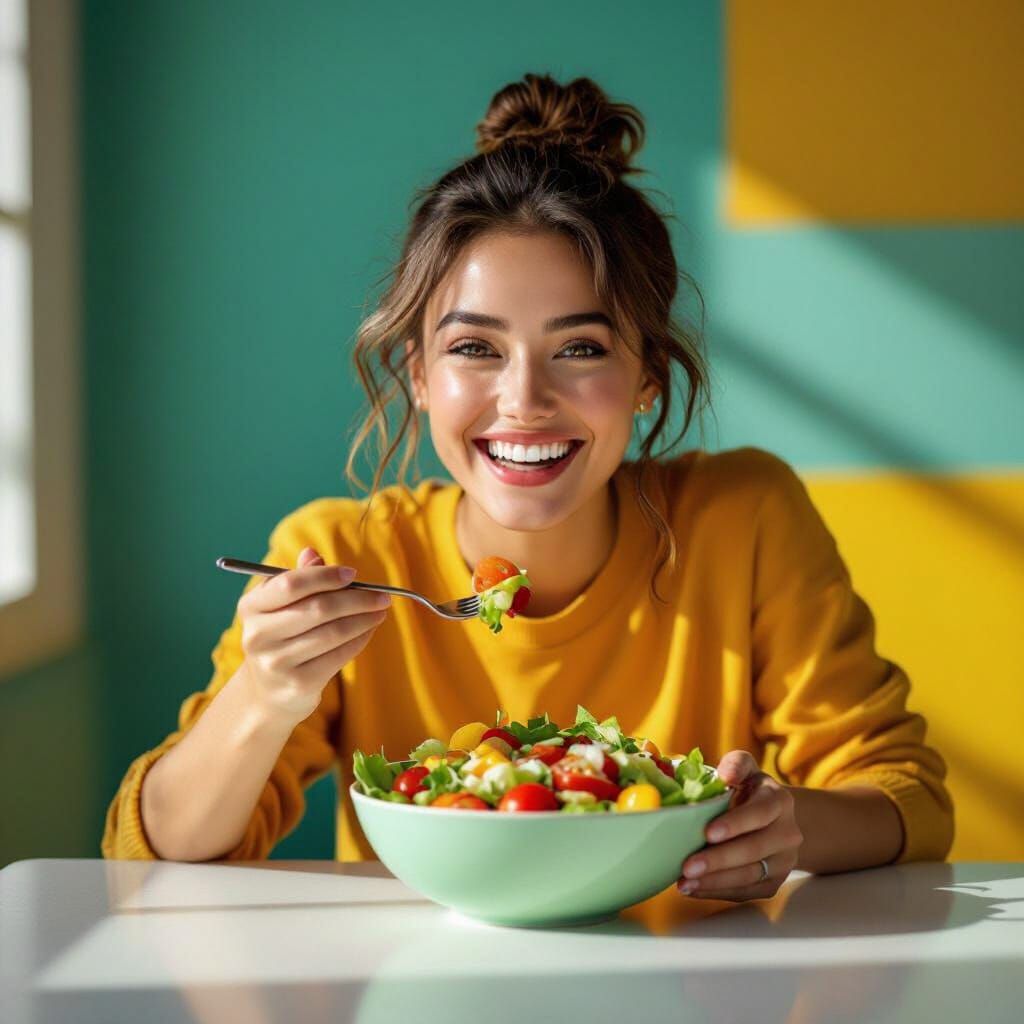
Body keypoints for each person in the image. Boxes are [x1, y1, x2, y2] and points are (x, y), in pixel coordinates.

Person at [102, 73, 953, 902]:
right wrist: (266, 694)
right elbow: (158, 849)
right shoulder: (348, 556)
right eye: (475, 349)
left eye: (580, 348)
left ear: (648, 375)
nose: (524, 402)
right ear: (419, 374)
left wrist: (784, 826)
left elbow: (905, 797)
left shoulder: (746, 519)